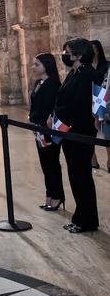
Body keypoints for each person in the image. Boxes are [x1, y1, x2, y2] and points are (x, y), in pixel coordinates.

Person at [52, 38, 99, 233]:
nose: (65, 54)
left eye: (67, 51)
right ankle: (80, 217)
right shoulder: (75, 73)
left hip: (79, 132)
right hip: (70, 132)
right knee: (75, 174)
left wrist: (61, 120)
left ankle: (86, 221)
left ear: (79, 55)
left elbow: (78, 105)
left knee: (82, 176)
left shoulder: (87, 74)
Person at [29, 54, 64, 211]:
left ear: (46, 65)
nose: (33, 67)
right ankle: (49, 195)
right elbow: (35, 104)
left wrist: (37, 119)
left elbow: (48, 107)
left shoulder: (53, 83)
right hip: (39, 128)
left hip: (48, 128)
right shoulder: (39, 82)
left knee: (52, 163)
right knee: (44, 164)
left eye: (36, 64)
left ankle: (57, 196)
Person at [90, 40, 109, 170]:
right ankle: (93, 160)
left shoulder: (107, 65)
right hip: (89, 101)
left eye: (95, 48)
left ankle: (109, 160)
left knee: (107, 132)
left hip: (104, 102)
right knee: (89, 132)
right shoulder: (85, 67)